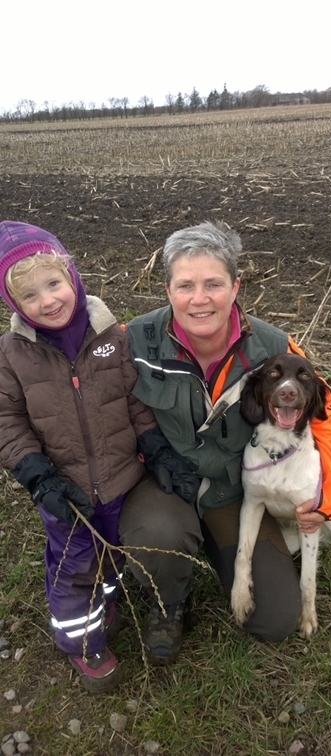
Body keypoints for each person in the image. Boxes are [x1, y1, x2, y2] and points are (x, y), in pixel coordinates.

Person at [119, 220, 331, 666]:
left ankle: (231, 551)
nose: (199, 299)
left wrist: (329, 494)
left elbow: (325, 418)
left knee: (275, 618)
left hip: (235, 492)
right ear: (167, 289)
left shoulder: (275, 346)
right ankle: (169, 603)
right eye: (185, 285)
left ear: (236, 285)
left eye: (213, 284)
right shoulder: (134, 339)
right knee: (157, 533)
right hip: (166, 483)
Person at [0, 220, 199, 693]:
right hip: (64, 492)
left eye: (54, 284)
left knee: (109, 562)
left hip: (120, 481)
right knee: (74, 569)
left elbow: (133, 401)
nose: (47, 301)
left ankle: (105, 605)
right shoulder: (12, 354)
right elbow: (7, 423)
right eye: (30, 295)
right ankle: (81, 643)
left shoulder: (111, 335)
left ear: (73, 278)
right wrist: (38, 476)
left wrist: (155, 448)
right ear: (13, 304)